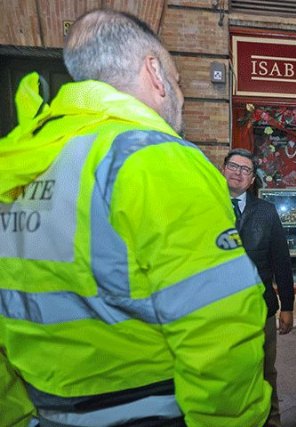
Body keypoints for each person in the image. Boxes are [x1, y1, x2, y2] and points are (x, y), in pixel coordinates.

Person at [0, 9, 270, 427]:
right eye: (178, 81)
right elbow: (220, 328)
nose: (181, 95)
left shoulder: (19, 163)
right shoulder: (154, 159)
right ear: (155, 73)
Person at [222, 148, 295, 427]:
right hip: (219, 309)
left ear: (252, 179)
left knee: (265, 371)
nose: (238, 173)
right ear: (223, 168)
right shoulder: (206, 205)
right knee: (225, 371)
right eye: (233, 166)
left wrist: (287, 306)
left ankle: (271, 421)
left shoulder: (266, 212)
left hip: (260, 308)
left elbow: (281, 261)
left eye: (245, 170)